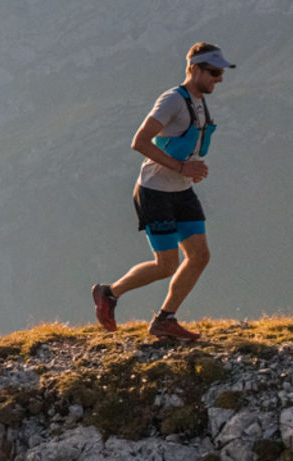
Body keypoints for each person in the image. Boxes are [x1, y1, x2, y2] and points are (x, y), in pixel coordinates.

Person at [92, 42, 235, 342]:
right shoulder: (171, 100)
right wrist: (182, 168)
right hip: (155, 192)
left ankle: (164, 319)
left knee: (199, 256)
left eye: (221, 72)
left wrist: (192, 168)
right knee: (166, 265)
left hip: (182, 192)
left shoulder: (199, 101)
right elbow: (140, 141)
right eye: (213, 72)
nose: (218, 78)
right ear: (194, 69)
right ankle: (109, 293)